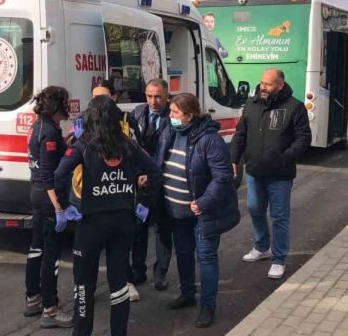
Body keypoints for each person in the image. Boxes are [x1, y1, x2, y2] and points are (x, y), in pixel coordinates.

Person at [55, 96, 162, 336]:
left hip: (91, 223)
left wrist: (64, 206)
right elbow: (155, 172)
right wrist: (144, 203)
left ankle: (82, 332)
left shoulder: (84, 144)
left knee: (84, 283)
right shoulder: (128, 144)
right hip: (123, 222)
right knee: (119, 283)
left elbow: (60, 175)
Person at [155, 93, 240, 327]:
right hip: (176, 211)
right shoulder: (170, 132)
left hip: (203, 213)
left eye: (175, 113)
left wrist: (203, 202)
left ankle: (207, 306)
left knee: (206, 257)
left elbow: (223, 177)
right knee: (183, 253)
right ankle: (187, 293)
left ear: (189, 115)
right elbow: (159, 161)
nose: (170, 116)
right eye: (170, 112)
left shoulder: (210, 140)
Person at [230, 68, 311, 279]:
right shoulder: (252, 104)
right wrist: (233, 159)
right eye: (262, 83)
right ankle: (261, 246)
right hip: (254, 171)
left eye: (268, 84)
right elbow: (240, 134)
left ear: (280, 85)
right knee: (254, 209)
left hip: (280, 175)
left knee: (279, 217)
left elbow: (304, 138)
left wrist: (284, 157)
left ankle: (279, 259)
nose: (263, 87)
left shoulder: (294, 107)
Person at [24, 86, 74, 328]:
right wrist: (59, 209)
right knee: (50, 254)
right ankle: (50, 309)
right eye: (65, 102)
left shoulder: (40, 127)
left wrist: (69, 141)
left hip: (37, 195)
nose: (68, 106)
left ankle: (33, 298)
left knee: (36, 248)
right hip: (48, 199)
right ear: (57, 106)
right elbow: (48, 176)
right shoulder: (50, 133)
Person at [129, 79, 173, 291]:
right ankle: (138, 271)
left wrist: (152, 173)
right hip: (141, 182)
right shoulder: (137, 112)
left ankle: (160, 274)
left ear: (167, 96)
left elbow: (170, 151)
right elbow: (132, 147)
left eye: (158, 97)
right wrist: (139, 173)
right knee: (138, 228)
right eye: (149, 96)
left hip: (163, 181)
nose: (153, 102)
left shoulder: (173, 115)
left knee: (162, 230)